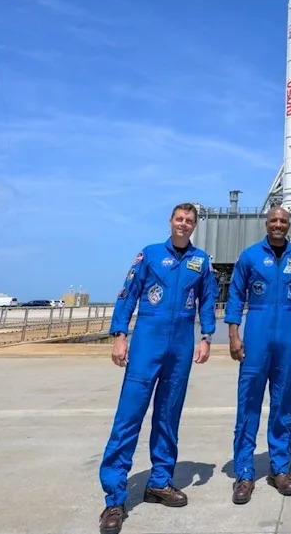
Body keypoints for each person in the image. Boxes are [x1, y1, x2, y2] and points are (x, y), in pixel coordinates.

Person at [98, 203, 219, 534]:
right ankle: (114, 498)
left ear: (194, 225)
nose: (183, 224)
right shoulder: (149, 255)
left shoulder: (201, 261)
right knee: (129, 417)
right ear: (170, 222)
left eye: (189, 221)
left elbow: (208, 300)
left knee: (168, 415)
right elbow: (128, 295)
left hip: (181, 345)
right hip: (147, 341)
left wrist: (206, 336)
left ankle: (159, 481)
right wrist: (120, 336)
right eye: (179, 219)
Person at [225, 206, 291, 504]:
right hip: (257, 334)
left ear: (289, 226)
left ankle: (279, 468)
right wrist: (233, 333)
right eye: (274, 220)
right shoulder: (249, 256)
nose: (278, 225)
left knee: (282, 405)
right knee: (248, 403)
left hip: (287, 337)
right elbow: (236, 296)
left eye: (283, 221)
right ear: (267, 223)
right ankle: (244, 472)